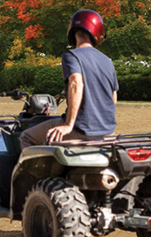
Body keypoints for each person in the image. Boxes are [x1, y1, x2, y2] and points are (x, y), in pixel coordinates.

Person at [20, 9, 119, 148]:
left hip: (81, 130)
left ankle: (45, 170)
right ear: (97, 32)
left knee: (26, 137)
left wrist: (68, 124)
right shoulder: (107, 61)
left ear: (73, 32)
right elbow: (113, 96)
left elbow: (76, 83)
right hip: (107, 133)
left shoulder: (72, 56)